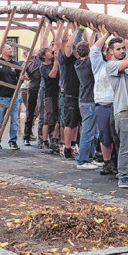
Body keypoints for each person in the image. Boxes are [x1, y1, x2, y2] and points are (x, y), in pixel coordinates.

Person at [104, 35, 128, 189]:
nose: (121, 51)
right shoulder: (111, 65)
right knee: (125, 147)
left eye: (123, 48)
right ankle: (123, 176)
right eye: (118, 49)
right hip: (124, 110)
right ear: (111, 52)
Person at [88, 29, 116, 175]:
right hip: (103, 105)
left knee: (119, 136)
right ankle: (107, 162)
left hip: (118, 105)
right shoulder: (99, 66)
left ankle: (118, 163)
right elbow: (94, 50)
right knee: (105, 136)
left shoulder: (121, 64)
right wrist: (106, 34)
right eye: (110, 52)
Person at [72, 29, 101, 170]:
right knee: (88, 133)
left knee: (94, 132)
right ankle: (82, 161)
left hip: (86, 101)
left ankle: (89, 158)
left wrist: (81, 30)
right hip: (88, 102)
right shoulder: (88, 63)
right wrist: (95, 32)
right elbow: (93, 47)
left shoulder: (77, 63)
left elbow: (83, 44)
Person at [56, 24, 83, 160]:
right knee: (69, 123)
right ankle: (67, 148)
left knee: (76, 124)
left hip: (80, 95)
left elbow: (86, 45)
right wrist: (76, 30)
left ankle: (73, 145)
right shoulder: (66, 59)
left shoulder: (80, 59)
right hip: (69, 95)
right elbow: (66, 44)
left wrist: (82, 29)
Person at [37, 44, 60, 152]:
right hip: (49, 95)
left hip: (57, 93)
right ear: (44, 56)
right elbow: (52, 75)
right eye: (48, 51)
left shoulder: (54, 64)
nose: (51, 51)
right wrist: (56, 60)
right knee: (48, 119)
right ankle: (44, 141)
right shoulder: (43, 67)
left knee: (58, 119)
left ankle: (54, 140)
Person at [21, 50, 42, 145]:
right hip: (32, 88)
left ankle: (41, 137)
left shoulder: (39, 61)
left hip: (41, 88)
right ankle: (27, 135)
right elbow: (25, 75)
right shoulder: (27, 64)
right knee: (30, 112)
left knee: (40, 113)